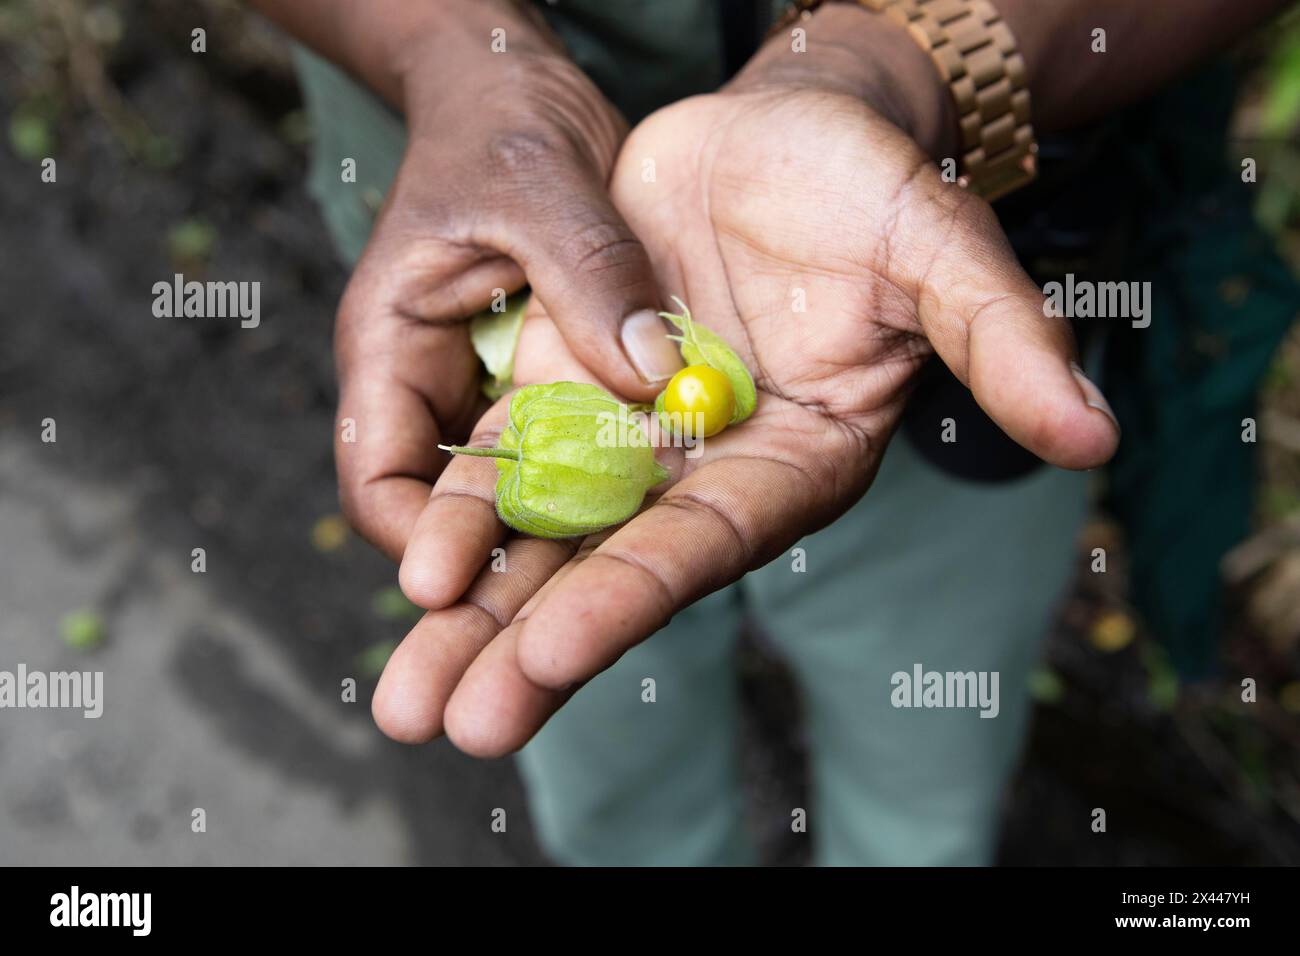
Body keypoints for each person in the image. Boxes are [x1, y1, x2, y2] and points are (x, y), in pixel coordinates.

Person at [251, 0, 1297, 864]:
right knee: (603, 764)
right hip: (497, 278)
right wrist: (445, 51)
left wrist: (903, 61)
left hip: (904, 307)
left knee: (922, 775)